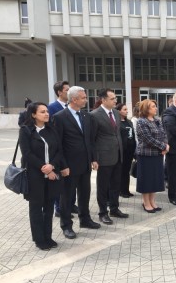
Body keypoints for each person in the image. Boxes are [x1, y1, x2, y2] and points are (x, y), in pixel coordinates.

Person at [53, 86, 101, 239]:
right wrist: (63, 165)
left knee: (84, 194)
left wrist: (93, 158)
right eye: (83, 97)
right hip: (69, 166)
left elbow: (90, 140)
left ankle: (85, 219)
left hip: (85, 163)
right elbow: (57, 144)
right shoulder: (60, 117)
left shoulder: (86, 116)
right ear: (74, 99)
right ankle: (66, 226)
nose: (86, 100)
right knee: (67, 197)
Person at [19, 102, 63, 250]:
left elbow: (59, 151)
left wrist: (53, 166)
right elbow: (27, 154)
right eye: (42, 112)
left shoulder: (52, 129)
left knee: (49, 207)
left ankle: (48, 236)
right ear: (33, 115)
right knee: (36, 208)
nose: (46, 114)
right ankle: (39, 239)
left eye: (47, 111)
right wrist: (46, 169)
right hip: (35, 176)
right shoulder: (26, 131)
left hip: (51, 175)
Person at [91, 88, 128, 225]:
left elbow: (116, 133)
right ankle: (102, 212)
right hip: (104, 157)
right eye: (112, 98)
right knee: (103, 186)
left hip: (118, 155)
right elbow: (92, 139)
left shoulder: (117, 114)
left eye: (115, 98)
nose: (115, 101)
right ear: (103, 99)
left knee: (115, 184)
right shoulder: (94, 115)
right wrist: (94, 158)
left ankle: (114, 208)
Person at [47, 81, 76, 217]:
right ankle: (59, 207)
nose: (69, 92)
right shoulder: (52, 108)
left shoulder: (73, 107)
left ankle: (71, 204)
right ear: (59, 92)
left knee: (72, 179)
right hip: (59, 150)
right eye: (67, 90)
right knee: (61, 180)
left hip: (72, 150)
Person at [136, 99, 169, 212]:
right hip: (146, 155)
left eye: (155, 106)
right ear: (146, 109)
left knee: (155, 179)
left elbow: (164, 133)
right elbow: (148, 138)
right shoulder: (141, 122)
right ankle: (146, 203)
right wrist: (163, 146)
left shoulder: (157, 120)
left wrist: (166, 144)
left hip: (157, 155)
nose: (156, 108)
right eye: (153, 106)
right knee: (147, 179)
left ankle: (152, 201)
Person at [116, 103, 136, 198]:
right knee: (121, 171)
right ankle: (121, 190)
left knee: (127, 171)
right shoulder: (117, 122)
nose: (127, 111)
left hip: (130, 150)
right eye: (124, 109)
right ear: (119, 111)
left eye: (127, 109)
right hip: (122, 151)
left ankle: (126, 190)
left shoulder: (129, 122)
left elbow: (133, 136)